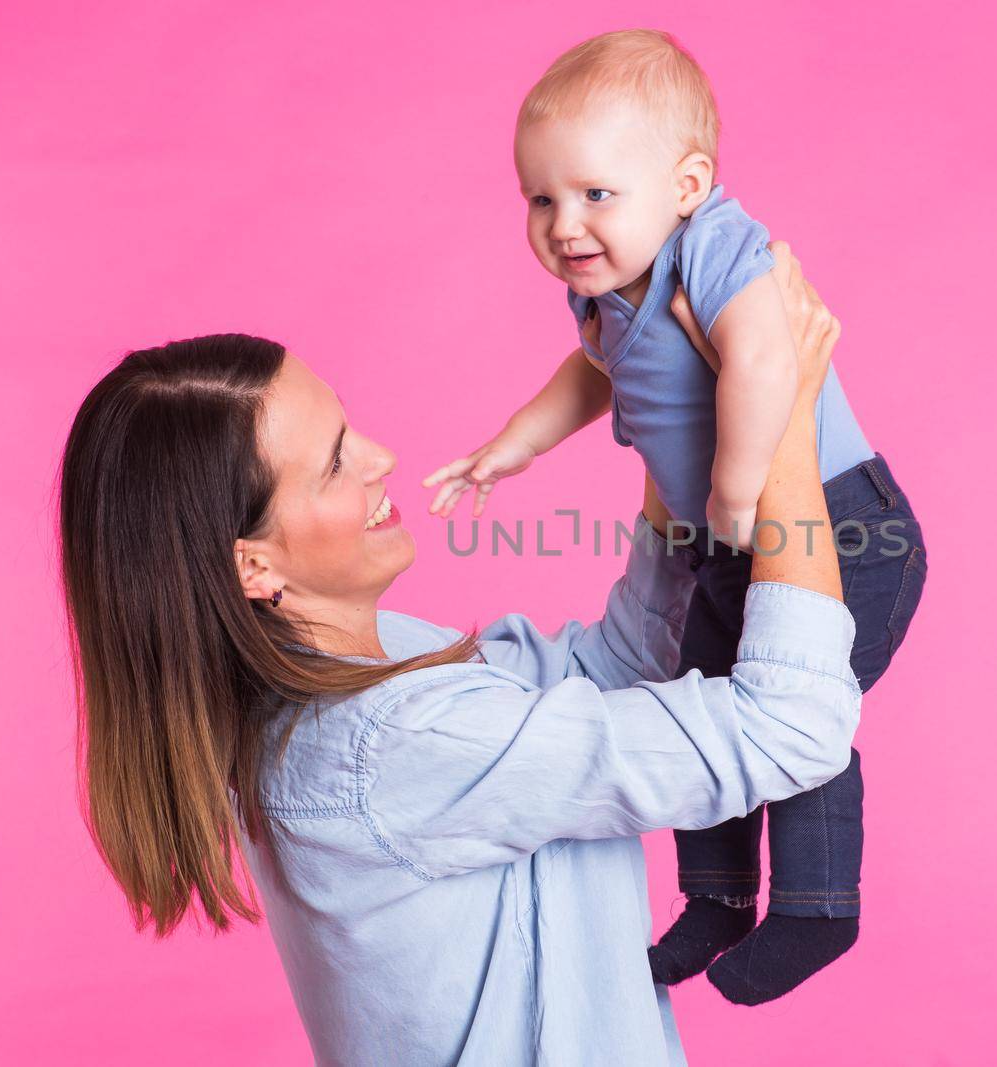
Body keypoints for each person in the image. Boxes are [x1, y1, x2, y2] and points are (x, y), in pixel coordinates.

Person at [59, 248, 857, 1064]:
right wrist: (782, 414)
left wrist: (666, 407)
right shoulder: (388, 746)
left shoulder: (367, 662)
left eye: (348, 425)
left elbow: (606, 675)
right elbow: (794, 725)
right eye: (336, 462)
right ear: (252, 565)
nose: (380, 460)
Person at [421, 29, 927, 1003]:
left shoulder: (714, 247)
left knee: (796, 708)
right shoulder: (609, 293)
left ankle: (818, 904)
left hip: (840, 528)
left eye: (596, 194)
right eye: (542, 197)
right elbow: (592, 375)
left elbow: (767, 355)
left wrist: (738, 489)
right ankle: (718, 896)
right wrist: (517, 440)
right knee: (699, 696)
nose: (565, 223)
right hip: (729, 550)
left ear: (687, 184)